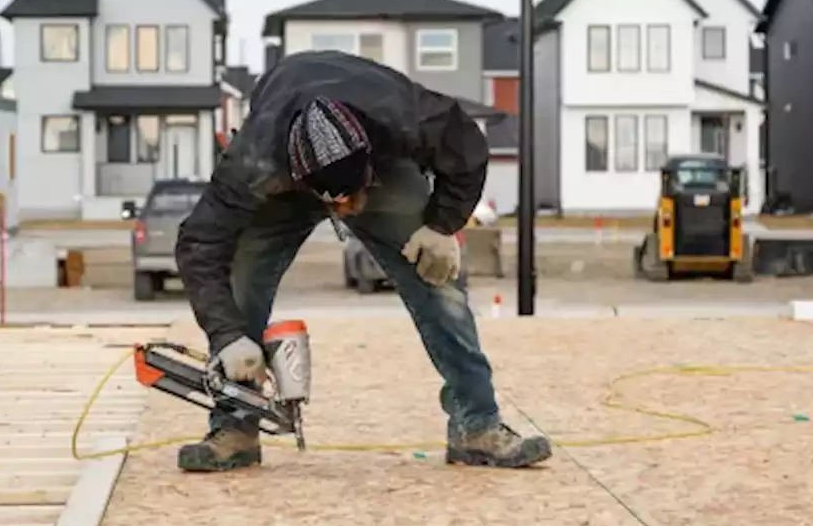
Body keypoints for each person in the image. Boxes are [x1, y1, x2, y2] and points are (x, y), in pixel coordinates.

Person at [172, 49, 552, 472]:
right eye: (338, 201)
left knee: (437, 279)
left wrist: (442, 226)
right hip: (280, 177)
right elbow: (198, 242)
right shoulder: (253, 164)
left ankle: (477, 425)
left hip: (380, 161)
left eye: (355, 196)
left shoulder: (403, 117)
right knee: (240, 278)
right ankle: (234, 429)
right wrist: (228, 335)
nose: (347, 209)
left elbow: (467, 148)